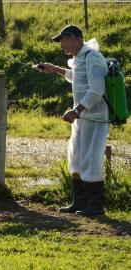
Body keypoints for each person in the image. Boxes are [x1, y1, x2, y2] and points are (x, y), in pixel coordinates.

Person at [39, 25, 109, 216]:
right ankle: (79, 202)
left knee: (91, 159)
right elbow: (77, 78)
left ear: (77, 38)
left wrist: (75, 111)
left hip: (95, 119)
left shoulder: (92, 58)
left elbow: (96, 91)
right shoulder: (80, 59)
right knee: (76, 158)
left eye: (64, 39)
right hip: (82, 118)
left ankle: (95, 206)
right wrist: (55, 70)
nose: (62, 44)